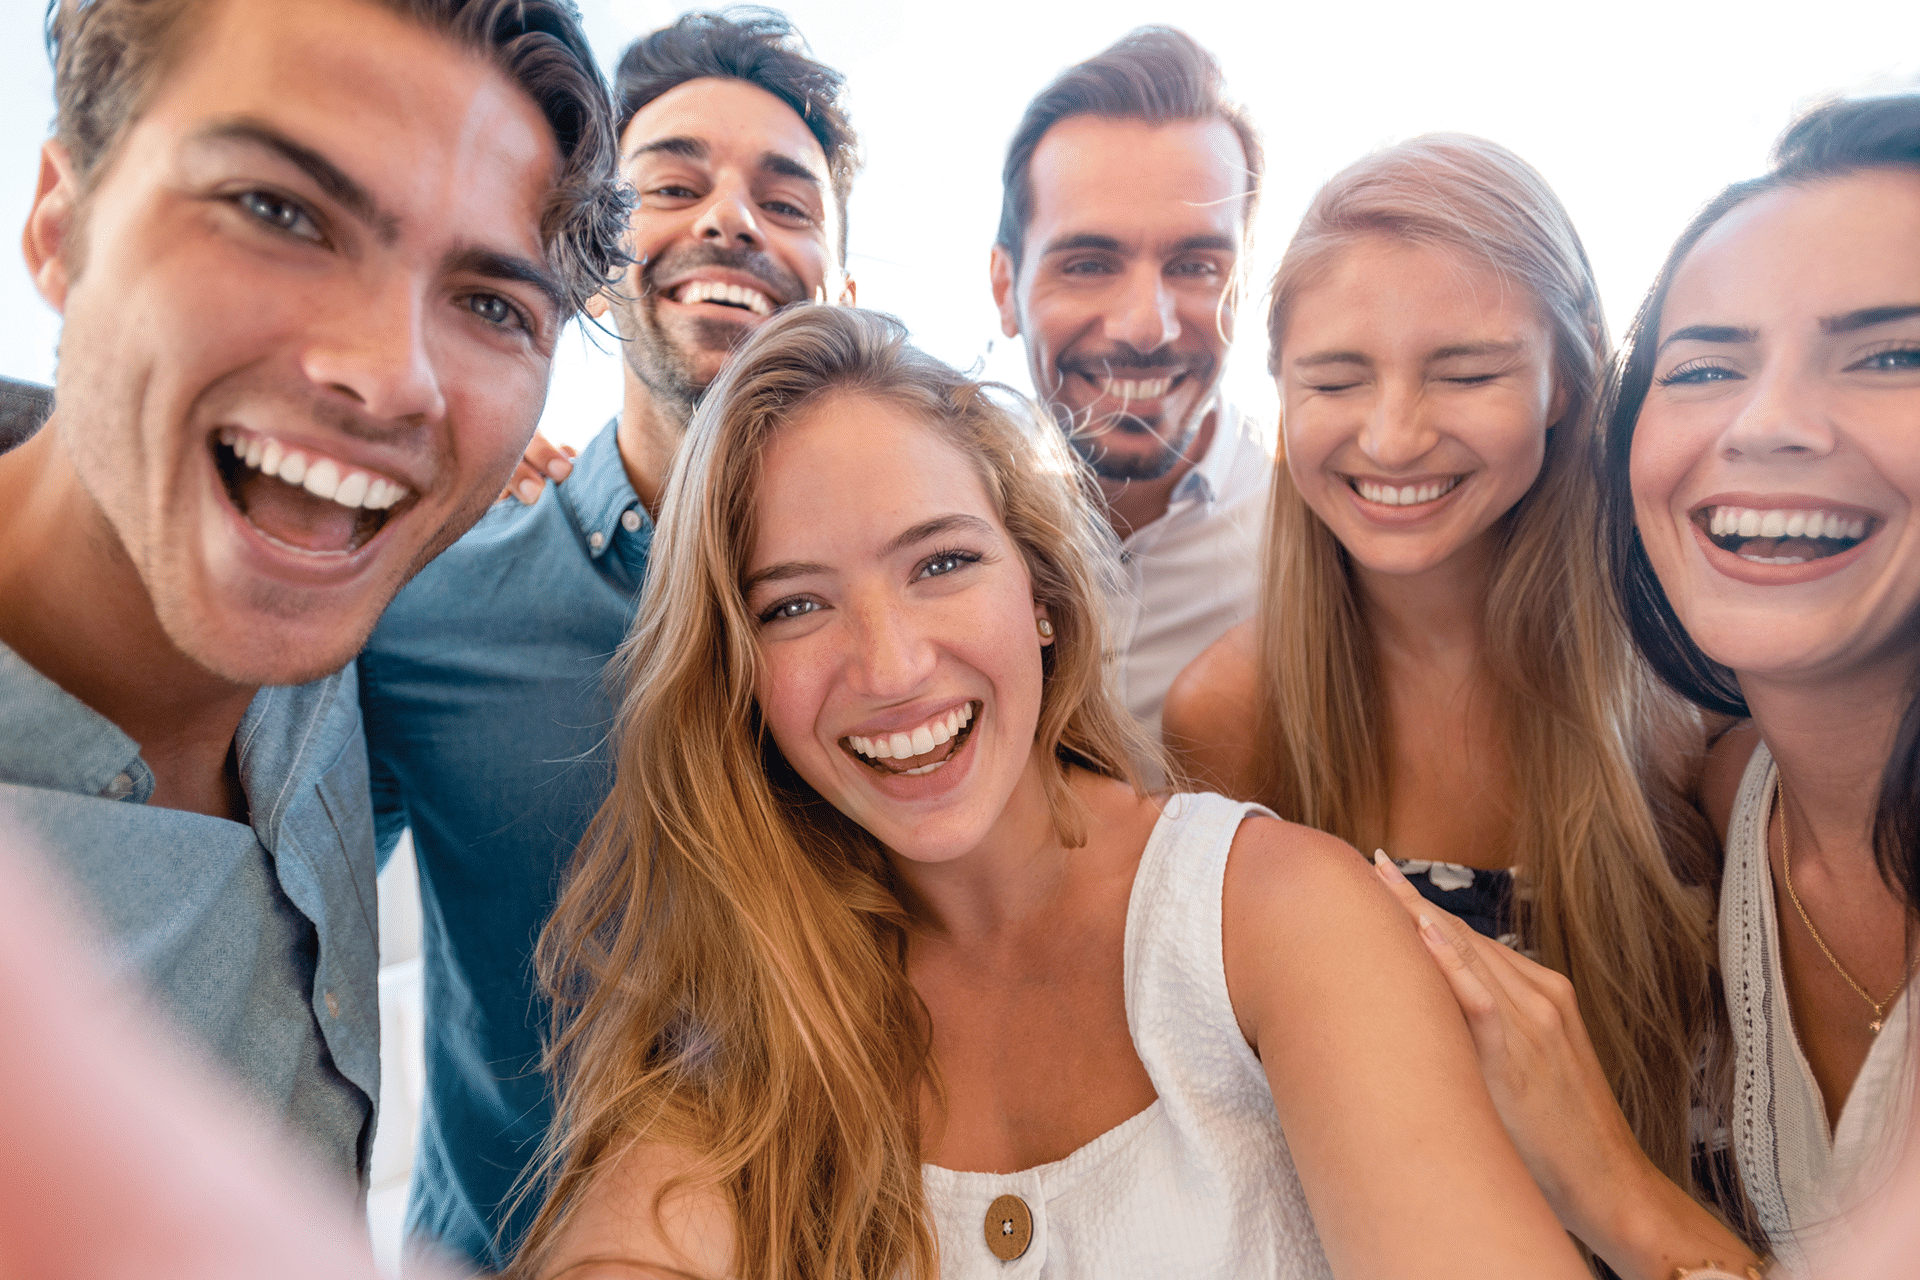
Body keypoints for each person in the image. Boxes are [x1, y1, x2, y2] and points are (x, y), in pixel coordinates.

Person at [509, 303, 1591, 1280]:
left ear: (1041, 593)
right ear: (737, 674)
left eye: (940, 564)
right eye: (794, 606)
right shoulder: (752, 1001)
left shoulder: (1275, 915)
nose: (891, 667)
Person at [0, 0, 622, 1191]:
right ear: (59, 218)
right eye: (278, 213)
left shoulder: (333, 595)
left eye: (492, 304)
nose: (391, 377)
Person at [1379, 93, 1920, 1277]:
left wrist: (1611, 1183)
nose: (1767, 422)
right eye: (1708, 363)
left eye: (1893, 352)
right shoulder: (1740, 807)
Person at [355, 11, 858, 1269]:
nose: (729, 221)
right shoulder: (419, 611)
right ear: (589, 259)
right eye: (672, 185)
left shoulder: (931, 638)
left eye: (785, 201)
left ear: (843, 290)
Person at [1162, 138, 1721, 1255]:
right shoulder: (1230, 712)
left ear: (1568, 381)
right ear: (1278, 390)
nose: (1393, 434)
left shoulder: (1690, 699)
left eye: (1466, 372)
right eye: (1336, 379)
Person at [990, 27, 1273, 740]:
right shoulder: (939, 523)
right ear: (1005, 289)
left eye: (1197, 266)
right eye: (1089, 264)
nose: (1147, 327)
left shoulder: (1323, 545)